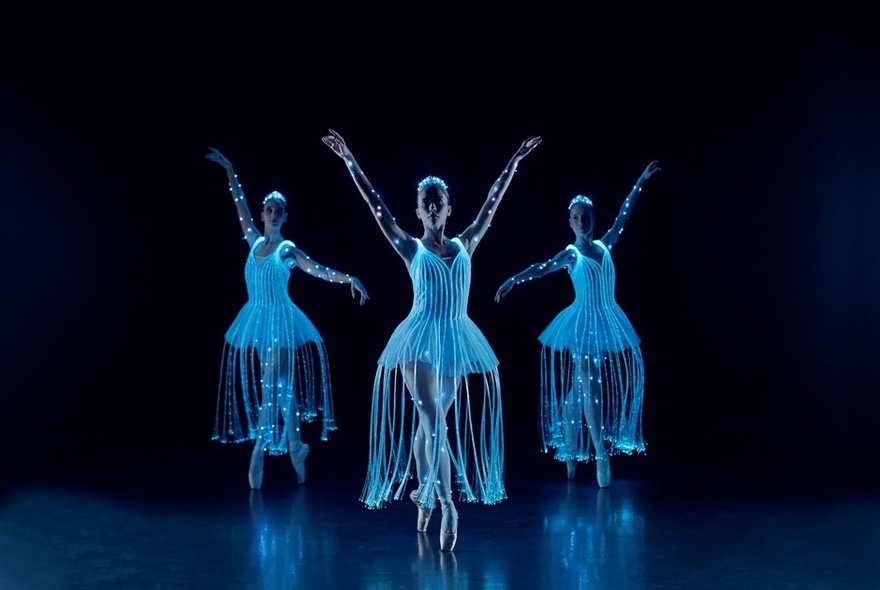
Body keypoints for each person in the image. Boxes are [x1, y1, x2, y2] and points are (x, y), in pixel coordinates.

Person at [322, 129, 541, 551]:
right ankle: (447, 505)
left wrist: (514, 160)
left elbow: (492, 202)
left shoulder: (466, 243)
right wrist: (349, 159)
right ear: (419, 210)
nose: (434, 207)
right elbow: (375, 205)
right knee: (434, 421)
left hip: (455, 340)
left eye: (439, 200)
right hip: (418, 341)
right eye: (427, 202)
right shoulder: (410, 248)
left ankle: (423, 491)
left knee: (431, 425)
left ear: (449, 208)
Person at [206, 147, 369, 490]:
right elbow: (238, 203)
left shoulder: (286, 249)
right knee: (283, 387)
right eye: (268, 210)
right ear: (263, 214)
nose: (273, 214)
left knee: (270, 384)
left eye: (278, 211)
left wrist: (348, 278)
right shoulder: (254, 242)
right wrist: (230, 170)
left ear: (285, 216)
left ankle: (258, 452)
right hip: (257, 320)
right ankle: (296, 447)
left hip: (281, 322)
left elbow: (317, 269)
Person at [495, 161, 660, 487]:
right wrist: (515, 278)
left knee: (579, 389)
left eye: (585, 217)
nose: (581, 221)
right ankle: (600, 453)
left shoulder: (605, 245)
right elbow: (543, 267)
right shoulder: (572, 254)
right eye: (575, 217)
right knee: (591, 383)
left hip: (607, 319)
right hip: (582, 323)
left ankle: (570, 448)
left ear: (593, 219)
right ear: (569, 222)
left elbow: (625, 213)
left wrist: (641, 179)